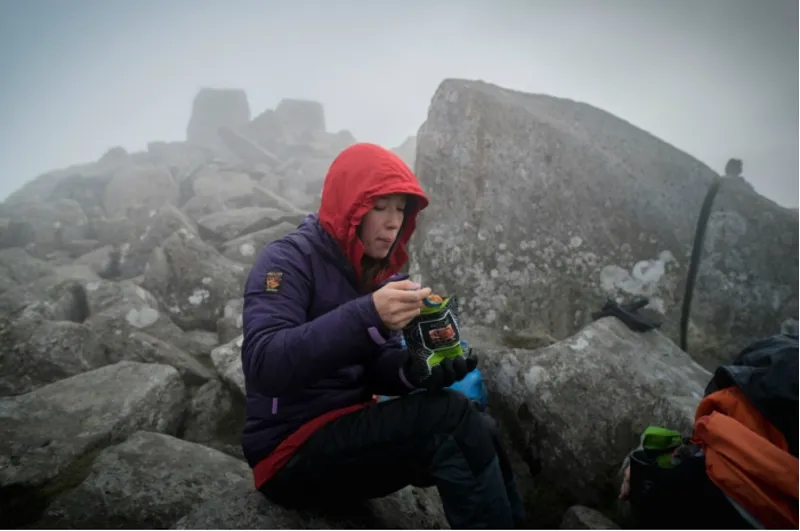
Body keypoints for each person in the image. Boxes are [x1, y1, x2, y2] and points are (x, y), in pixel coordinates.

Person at [240, 142, 526, 528]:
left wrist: (419, 370)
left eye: (400, 208)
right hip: (289, 449)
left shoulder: (376, 273)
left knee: (481, 428)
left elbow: (377, 369)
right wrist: (368, 314)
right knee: (451, 421)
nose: (393, 221)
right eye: (380, 206)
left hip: (346, 427)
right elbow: (264, 364)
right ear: (350, 209)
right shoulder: (286, 262)